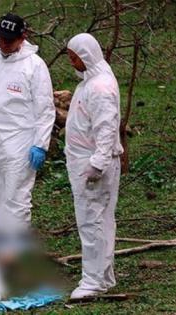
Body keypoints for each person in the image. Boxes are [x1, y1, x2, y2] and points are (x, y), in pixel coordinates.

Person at [0, 13, 55, 256]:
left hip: (20, 139)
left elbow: (45, 109)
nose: (4, 44)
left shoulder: (34, 66)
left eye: (9, 40)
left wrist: (40, 144)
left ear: (22, 37)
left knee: (16, 194)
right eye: (1, 39)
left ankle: (14, 250)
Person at [64, 33, 124, 299]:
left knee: (92, 222)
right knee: (98, 220)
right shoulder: (90, 82)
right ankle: (103, 275)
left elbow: (106, 128)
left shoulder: (99, 88)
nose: (71, 61)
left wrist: (97, 164)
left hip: (92, 166)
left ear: (86, 56)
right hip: (85, 163)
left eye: (74, 57)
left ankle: (93, 282)